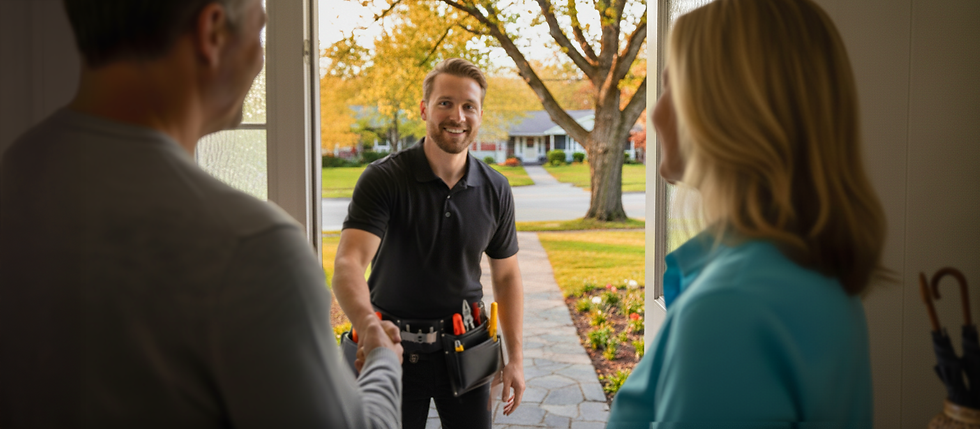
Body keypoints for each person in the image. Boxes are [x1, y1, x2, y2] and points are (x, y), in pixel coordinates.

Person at [0, 0, 403, 427]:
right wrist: (382, 361)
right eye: (260, 31)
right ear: (213, 31)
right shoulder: (252, 247)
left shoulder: (16, 175)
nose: (261, 59)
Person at [606, 0, 888, 426]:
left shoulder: (731, 307)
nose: (655, 112)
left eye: (669, 87)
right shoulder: (805, 269)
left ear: (727, 110)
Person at [333, 57, 526, 429]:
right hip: (391, 350)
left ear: (480, 114)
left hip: (468, 350)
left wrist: (514, 357)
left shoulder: (495, 188)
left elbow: (507, 277)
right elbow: (348, 264)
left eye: (469, 105)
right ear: (424, 109)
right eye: (445, 103)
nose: (458, 115)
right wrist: (369, 329)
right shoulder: (383, 179)